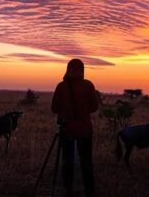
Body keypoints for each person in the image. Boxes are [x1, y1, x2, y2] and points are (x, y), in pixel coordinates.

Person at [50, 59, 101, 196]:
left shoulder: (61, 86)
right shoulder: (88, 85)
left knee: (67, 161)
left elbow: (54, 108)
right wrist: (82, 112)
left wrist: (66, 113)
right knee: (86, 162)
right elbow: (95, 107)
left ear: (68, 69)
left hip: (67, 129)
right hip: (84, 129)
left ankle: (68, 192)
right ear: (82, 70)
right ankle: (89, 192)